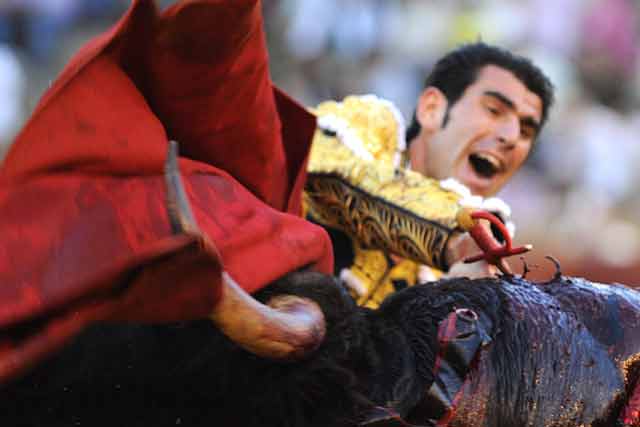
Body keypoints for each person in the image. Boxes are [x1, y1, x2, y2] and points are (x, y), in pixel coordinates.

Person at [306, 44, 554, 307]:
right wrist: (455, 236)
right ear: (431, 109)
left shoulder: (468, 271)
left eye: (526, 132)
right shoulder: (369, 128)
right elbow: (318, 164)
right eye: (493, 110)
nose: (512, 137)